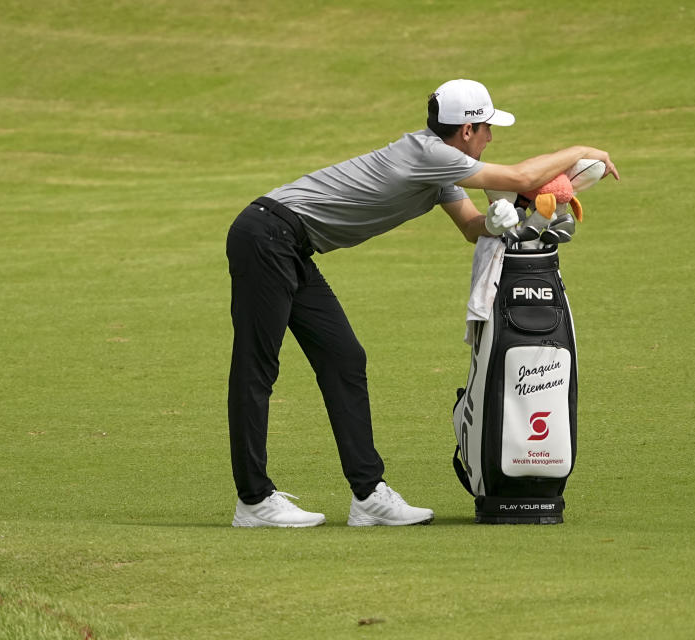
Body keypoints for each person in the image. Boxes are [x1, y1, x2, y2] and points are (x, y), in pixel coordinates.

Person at [225, 79, 619, 528]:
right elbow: (521, 178)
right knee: (257, 369)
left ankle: (368, 495)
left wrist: (508, 219)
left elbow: (472, 227)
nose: (491, 137)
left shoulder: (439, 166)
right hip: (266, 235)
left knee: (345, 360)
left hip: (288, 244)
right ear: (467, 129)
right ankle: (254, 500)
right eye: (487, 127)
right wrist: (583, 151)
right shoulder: (431, 154)